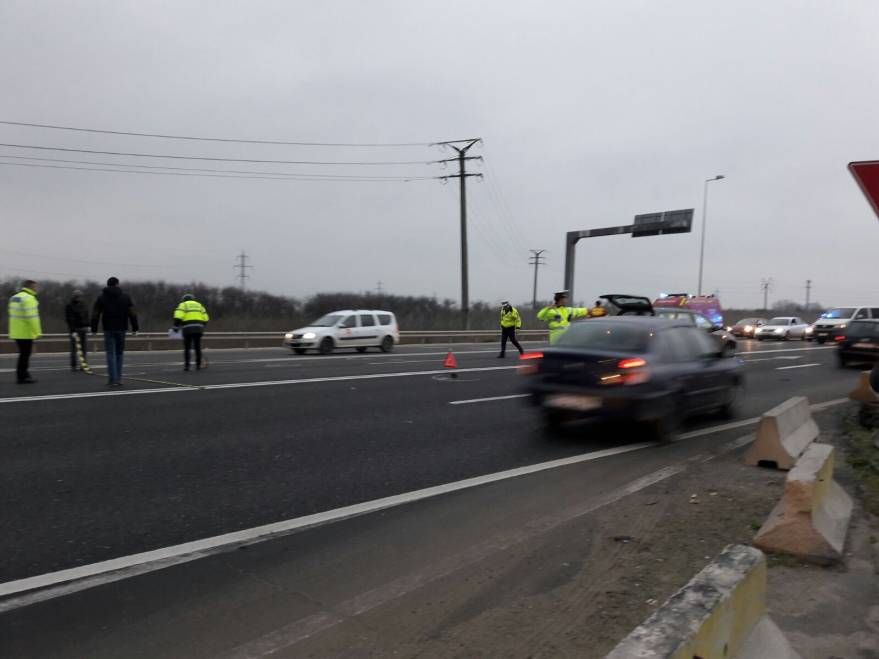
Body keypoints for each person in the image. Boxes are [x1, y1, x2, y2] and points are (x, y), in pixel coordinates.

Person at [91, 277, 139, 387]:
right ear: (117, 284)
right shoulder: (126, 297)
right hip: (122, 328)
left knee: (110, 354)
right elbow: (132, 313)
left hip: (108, 328)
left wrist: (94, 328)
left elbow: (95, 314)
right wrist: (135, 328)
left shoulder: (102, 297)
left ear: (107, 285)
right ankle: (119, 379)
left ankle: (112, 379)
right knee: (119, 354)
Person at [7, 279, 41, 384]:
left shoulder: (14, 297)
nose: (37, 289)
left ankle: (24, 375)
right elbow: (32, 318)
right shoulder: (29, 298)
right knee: (25, 355)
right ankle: (22, 377)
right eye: (35, 287)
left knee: (23, 354)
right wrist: (37, 332)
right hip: (26, 332)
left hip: (16, 331)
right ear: (30, 287)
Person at [173, 293, 209, 370]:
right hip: (198, 329)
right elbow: (206, 319)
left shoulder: (183, 304)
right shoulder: (199, 305)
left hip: (187, 329)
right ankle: (198, 365)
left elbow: (178, 316)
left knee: (187, 348)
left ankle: (187, 366)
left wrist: (176, 326)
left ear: (184, 299)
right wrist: (201, 325)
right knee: (197, 347)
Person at [65, 289, 91, 372]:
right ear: (74, 297)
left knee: (84, 348)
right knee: (74, 349)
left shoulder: (83, 304)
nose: (79, 298)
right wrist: (72, 330)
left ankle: (83, 365)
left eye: (80, 296)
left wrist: (88, 325)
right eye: (77, 296)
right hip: (75, 329)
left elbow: (86, 315)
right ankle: (73, 365)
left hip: (83, 328)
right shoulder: (69, 306)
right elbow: (69, 319)